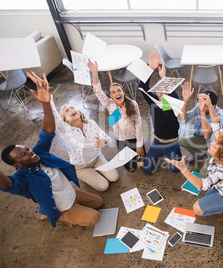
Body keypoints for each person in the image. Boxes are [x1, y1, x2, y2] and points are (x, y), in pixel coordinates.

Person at [0, 72, 103, 228]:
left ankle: (52, 208)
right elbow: (7, 184)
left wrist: (46, 103)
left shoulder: (38, 153)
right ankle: (53, 214)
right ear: (18, 165)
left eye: (26, 149)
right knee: (95, 217)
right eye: (23, 154)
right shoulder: (23, 181)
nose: (30, 152)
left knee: (99, 202)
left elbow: (48, 130)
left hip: (71, 194)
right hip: (62, 207)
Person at [165, 94, 223, 222]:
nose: (212, 143)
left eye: (214, 146)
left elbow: (200, 185)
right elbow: (215, 123)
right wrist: (208, 104)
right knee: (206, 192)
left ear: (222, 154)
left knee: (197, 208)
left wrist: (183, 169)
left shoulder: (222, 170)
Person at [138, 51, 193, 175]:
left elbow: (182, 116)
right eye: (158, 91)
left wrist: (185, 100)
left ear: (168, 91)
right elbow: (142, 86)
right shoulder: (153, 101)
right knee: (147, 170)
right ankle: (160, 155)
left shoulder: (173, 101)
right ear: (156, 92)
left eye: (164, 91)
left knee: (175, 170)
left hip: (172, 143)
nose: (161, 94)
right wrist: (150, 69)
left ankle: (174, 152)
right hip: (157, 142)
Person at [88, 59, 145, 172]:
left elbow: (138, 126)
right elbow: (98, 92)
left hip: (134, 138)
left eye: (119, 90)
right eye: (113, 92)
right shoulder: (110, 105)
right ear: (111, 96)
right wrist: (94, 73)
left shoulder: (133, 104)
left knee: (142, 165)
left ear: (123, 92)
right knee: (130, 168)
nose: (117, 93)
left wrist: (139, 144)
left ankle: (138, 156)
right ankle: (130, 163)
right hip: (121, 140)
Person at [50, 98, 119, 192]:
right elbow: (54, 116)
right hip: (81, 167)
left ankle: (97, 169)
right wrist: (49, 99)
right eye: (67, 110)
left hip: (97, 158)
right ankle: (85, 174)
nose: (71, 110)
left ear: (79, 112)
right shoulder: (65, 130)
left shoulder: (91, 123)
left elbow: (109, 139)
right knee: (103, 186)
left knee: (114, 177)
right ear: (64, 119)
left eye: (72, 108)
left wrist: (104, 141)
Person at [179, 89, 223, 177]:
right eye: (200, 102)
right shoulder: (200, 106)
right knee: (182, 141)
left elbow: (207, 135)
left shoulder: (221, 116)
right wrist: (185, 101)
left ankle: (212, 163)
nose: (200, 106)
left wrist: (202, 113)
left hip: (215, 149)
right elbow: (182, 119)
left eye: (205, 104)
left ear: (212, 105)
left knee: (203, 175)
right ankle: (200, 155)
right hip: (201, 139)